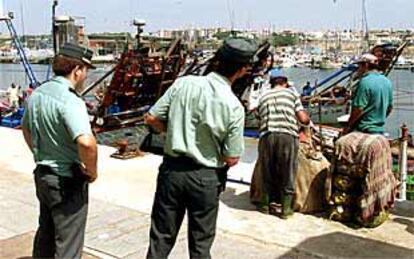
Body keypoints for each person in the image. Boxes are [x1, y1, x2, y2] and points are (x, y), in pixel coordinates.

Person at [144, 38, 256, 258]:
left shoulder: (183, 83)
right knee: (200, 244)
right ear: (242, 70)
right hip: (205, 178)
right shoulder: (233, 106)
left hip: (172, 171)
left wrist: (170, 132)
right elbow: (232, 158)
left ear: (216, 61)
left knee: (160, 238)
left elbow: (151, 117)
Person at [21, 42, 98, 258]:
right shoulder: (70, 100)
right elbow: (86, 142)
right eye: (85, 71)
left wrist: (40, 154)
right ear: (77, 70)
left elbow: (26, 128)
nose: (85, 77)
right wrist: (92, 170)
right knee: (69, 243)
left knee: (46, 233)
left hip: (43, 175)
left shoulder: (38, 93)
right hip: (66, 180)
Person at [256, 69, 310, 219]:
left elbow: (258, 115)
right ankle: (286, 210)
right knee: (288, 171)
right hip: (287, 136)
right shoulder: (292, 94)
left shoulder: (263, 95)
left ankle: (265, 205)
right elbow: (303, 119)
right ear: (285, 82)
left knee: (267, 171)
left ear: (271, 83)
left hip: (267, 136)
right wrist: (305, 118)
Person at [343, 53, 393, 135]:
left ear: (365, 65)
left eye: (359, 66)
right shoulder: (387, 81)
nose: (358, 69)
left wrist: (348, 126)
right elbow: (389, 108)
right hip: (379, 130)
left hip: (363, 129)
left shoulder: (364, 82)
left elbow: (358, 108)